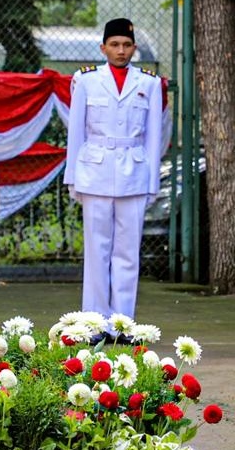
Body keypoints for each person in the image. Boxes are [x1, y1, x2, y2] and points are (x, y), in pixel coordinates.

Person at [63, 18, 163, 342]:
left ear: (134, 48)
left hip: (134, 172)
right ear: (103, 47)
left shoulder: (149, 84)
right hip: (94, 171)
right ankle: (93, 324)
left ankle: (123, 325)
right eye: (115, 45)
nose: (121, 51)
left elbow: (153, 137)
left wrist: (152, 182)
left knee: (127, 253)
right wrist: (73, 177)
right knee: (96, 252)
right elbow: (75, 131)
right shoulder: (86, 80)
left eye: (127, 45)